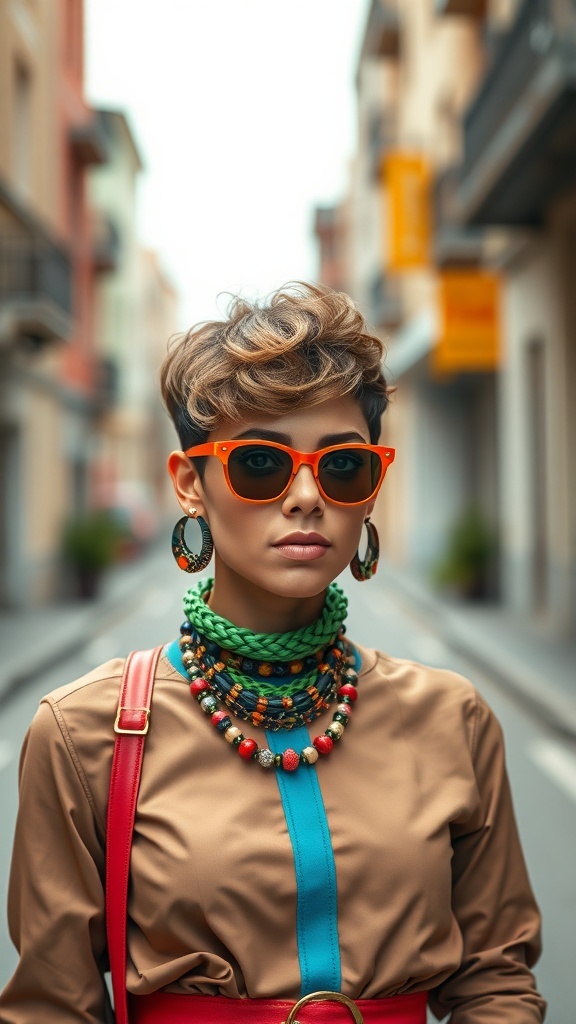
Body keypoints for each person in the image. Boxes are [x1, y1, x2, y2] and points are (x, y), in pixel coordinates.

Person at [0, 283, 545, 1023]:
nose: (305, 496)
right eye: (261, 464)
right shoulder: (83, 732)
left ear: (371, 487)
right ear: (191, 484)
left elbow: (496, 983)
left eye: (343, 466)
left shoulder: (453, 719)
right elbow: (51, 1009)